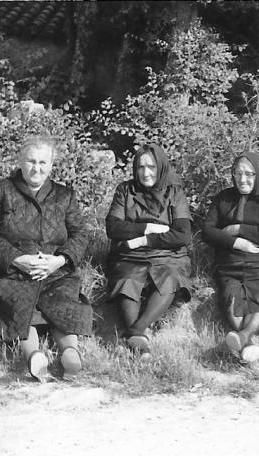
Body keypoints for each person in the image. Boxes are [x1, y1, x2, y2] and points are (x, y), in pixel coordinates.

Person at [0, 136, 91, 381]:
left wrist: (59, 261)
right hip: (11, 271)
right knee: (20, 303)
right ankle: (34, 357)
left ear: (51, 165)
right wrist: (17, 259)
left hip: (56, 270)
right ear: (20, 161)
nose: (36, 168)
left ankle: (70, 354)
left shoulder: (64, 195)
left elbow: (81, 234)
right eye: (31, 161)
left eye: (42, 162)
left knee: (62, 301)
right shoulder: (0, 190)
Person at [105, 143, 192, 358]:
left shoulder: (174, 192)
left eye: (151, 167)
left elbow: (182, 235)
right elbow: (113, 228)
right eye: (141, 167)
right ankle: (141, 347)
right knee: (126, 279)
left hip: (168, 256)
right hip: (130, 255)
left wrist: (144, 240)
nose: (146, 173)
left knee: (170, 278)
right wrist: (148, 228)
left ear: (160, 166)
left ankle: (135, 332)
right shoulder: (125, 190)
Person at [202, 152, 259, 362]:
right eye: (237, 173)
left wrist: (238, 228)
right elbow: (208, 232)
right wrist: (237, 242)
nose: (242, 179)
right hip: (231, 262)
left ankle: (242, 337)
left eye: (249, 174)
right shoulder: (224, 198)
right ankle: (247, 343)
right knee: (231, 296)